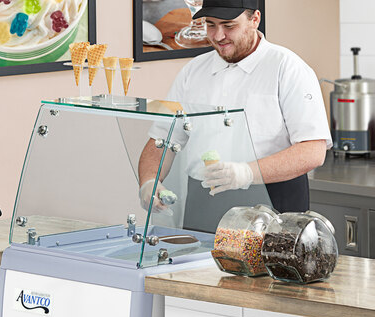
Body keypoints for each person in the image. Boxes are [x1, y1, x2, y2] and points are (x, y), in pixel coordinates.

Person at [138, 0, 332, 229]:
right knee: (196, 266)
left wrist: (247, 172)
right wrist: (149, 181)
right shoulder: (192, 72)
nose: (218, 36)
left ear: (255, 19)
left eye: (229, 26)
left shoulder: (289, 69)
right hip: (203, 201)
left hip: (273, 201)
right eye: (210, 25)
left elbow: (313, 151)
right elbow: (163, 139)